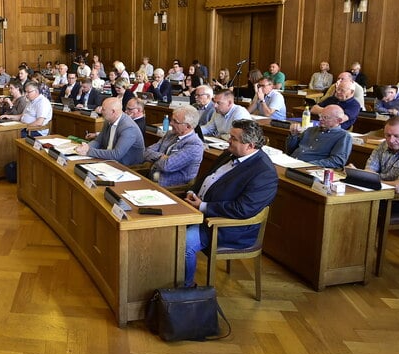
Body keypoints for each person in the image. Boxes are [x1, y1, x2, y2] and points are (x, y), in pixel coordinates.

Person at [182, 120, 278, 287]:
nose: (228, 140)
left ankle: (186, 289)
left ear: (250, 145)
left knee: (184, 244)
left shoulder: (264, 173)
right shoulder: (230, 153)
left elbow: (243, 209)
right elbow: (207, 177)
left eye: (233, 138)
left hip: (227, 227)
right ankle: (164, 277)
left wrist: (203, 206)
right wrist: (193, 192)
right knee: (164, 230)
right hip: (200, 212)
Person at [144, 105, 204, 187]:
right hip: (149, 177)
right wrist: (162, 156)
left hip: (168, 187)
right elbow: (147, 152)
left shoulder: (194, 145)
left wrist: (157, 158)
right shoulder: (170, 134)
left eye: (175, 121)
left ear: (188, 126)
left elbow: (167, 166)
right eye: (171, 119)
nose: (171, 123)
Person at [74, 97, 144, 165]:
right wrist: (86, 147)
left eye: (103, 109)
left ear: (113, 112)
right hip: (109, 160)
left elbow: (116, 155)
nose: (101, 111)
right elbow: (98, 141)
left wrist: (88, 151)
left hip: (127, 167)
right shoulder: (108, 120)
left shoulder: (129, 128)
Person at [285, 105, 352, 168]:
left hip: (310, 169)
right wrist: (293, 135)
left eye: (325, 117)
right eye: (320, 116)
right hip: (291, 162)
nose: (320, 119)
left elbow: (337, 162)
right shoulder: (310, 130)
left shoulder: (343, 136)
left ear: (338, 120)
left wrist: (308, 165)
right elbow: (290, 150)